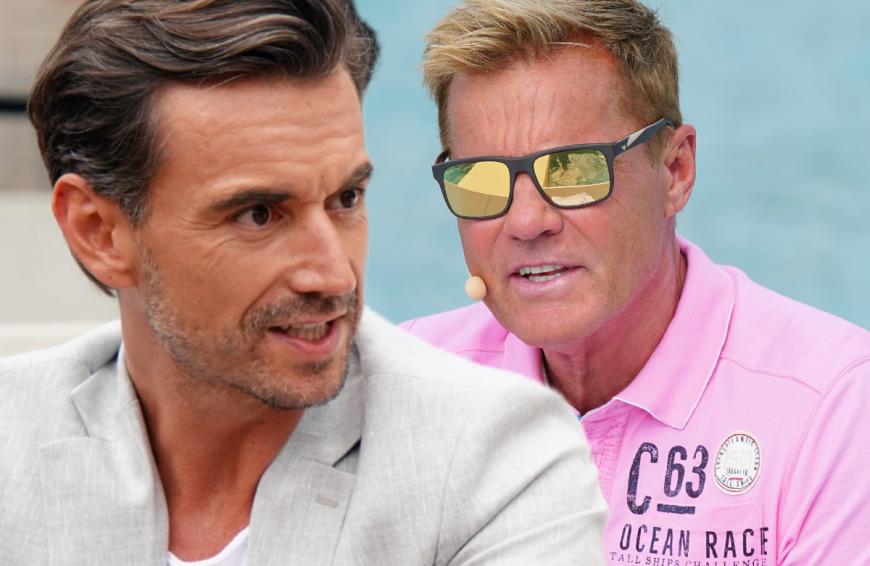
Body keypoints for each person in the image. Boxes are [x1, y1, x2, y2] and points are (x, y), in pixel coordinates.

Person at [0, 1, 608, 564]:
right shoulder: (13, 438)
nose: (334, 274)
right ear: (99, 233)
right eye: (258, 214)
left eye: (346, 199)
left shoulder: (497, 461)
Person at [403, 0, 870, 564]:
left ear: (675, 171)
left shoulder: (834, 409)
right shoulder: (398, 393)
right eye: (479, 180)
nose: (526, 221)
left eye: (573, 170)